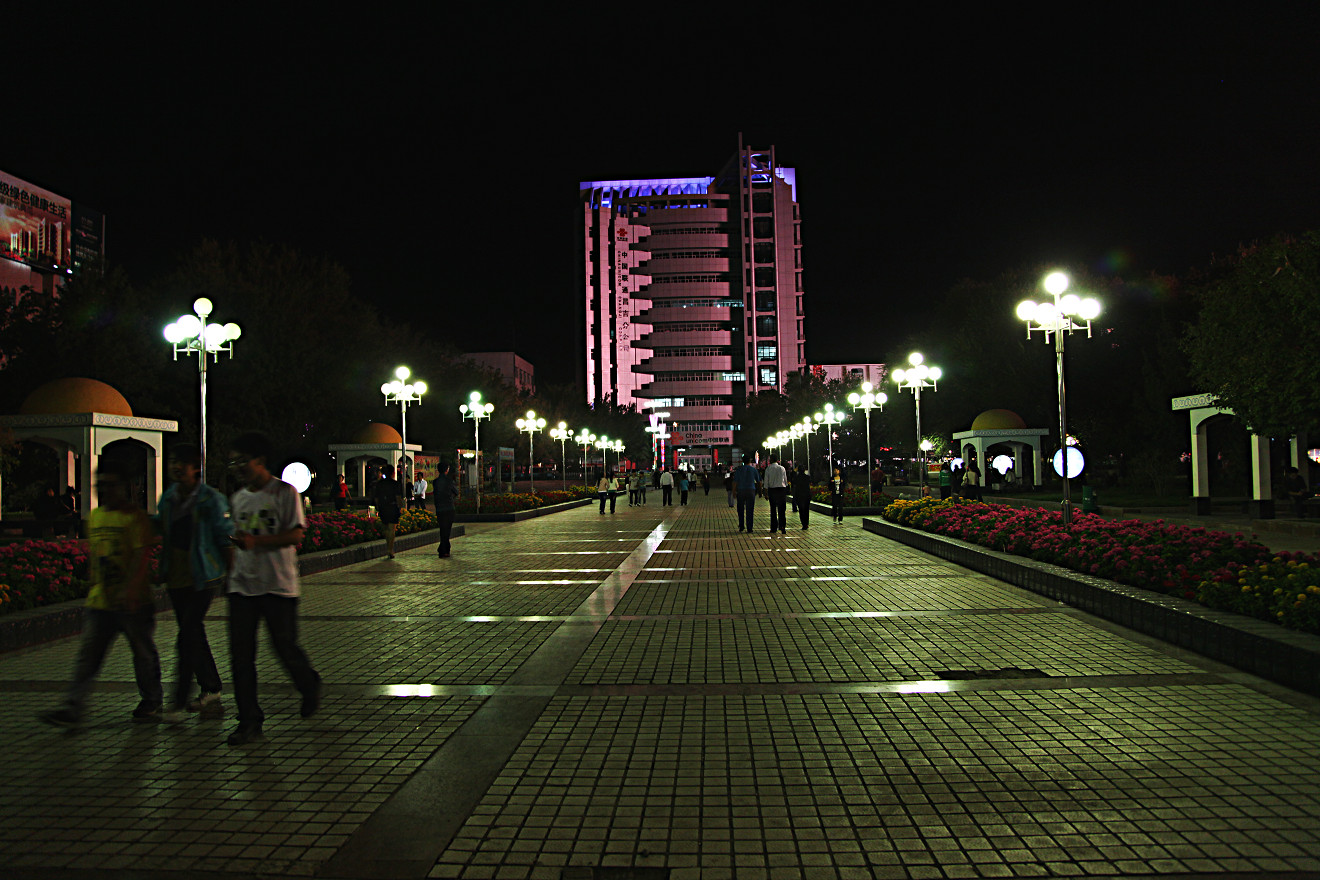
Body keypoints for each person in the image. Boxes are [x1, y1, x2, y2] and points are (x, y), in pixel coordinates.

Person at [40, 460, 161, 728]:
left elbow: (142, 556)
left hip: (134, 603)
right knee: (88, 656)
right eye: (99, 486)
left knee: (142, 653)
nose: (104, 491)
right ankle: (73, 706)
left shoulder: (135, 518)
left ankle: (151, 699)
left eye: (110, 485)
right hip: (101, 601)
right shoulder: (96, 517)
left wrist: (131, 589)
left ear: (125, 487)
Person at [226, 431, 321, 746]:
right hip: (242, 587)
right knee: (241, 656)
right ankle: (249, 720)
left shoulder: (284, 493)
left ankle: (308, 684)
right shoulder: (238, 498)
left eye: (243, 461)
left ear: (260, 461)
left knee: (284, 647)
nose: (238, 467)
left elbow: (295, 536)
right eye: (234, 462)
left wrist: (256, 542)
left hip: (278, 586)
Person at [156, 443, 233, 723]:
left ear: (195, 469)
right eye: (173, 461)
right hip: (177, 577)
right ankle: (211, 687)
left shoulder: (211, 499)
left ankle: (177, 703)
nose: (176, 467)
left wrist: (232, 575)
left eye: (182, 463)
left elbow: (225, 537)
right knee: (192, 633)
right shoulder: (168, 499)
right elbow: (164, 532)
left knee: (186, 636)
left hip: (204, 576)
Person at [372, 466, 403, 558]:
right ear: (393, 473)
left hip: (383, 507)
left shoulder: (379, 484)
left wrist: (378, 507)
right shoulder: (395, 484)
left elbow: (376, 497)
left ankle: (388, 547)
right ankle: (390, 549)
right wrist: (400, 507)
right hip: (392, 506)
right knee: (392, 528)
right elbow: (398, 497)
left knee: (386, 528)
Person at [432, 461, 458, 557]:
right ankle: (444, 549)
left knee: (443, 529)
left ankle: (443, 548)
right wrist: (451, 498)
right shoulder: (449, 481)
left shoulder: (435, 482)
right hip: (449, 507)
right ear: (447, 470)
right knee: (447, 529)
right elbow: (456, 492)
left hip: (439, 508)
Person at [733, 454, 761, 532]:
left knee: (740, 509)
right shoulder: (754, 470)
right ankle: (749, 527)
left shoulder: (739, 469)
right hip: (751, 491)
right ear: (750, 461)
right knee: (750, 509)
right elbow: (759, 481)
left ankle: (741, 526)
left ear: (742, 461)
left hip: (741, 491)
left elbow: (735, 482)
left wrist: (733, 491)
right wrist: (760, 492)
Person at [764, 453, 789, 535]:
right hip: (781, 490)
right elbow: (785, 481)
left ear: (771, 460)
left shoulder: (768, 469)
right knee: (782, 510)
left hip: (772, 491)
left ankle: (774, 528)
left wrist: (766, 493)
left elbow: (766, 482)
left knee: (773, 510)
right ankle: (782, 527)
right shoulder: (782, 468)